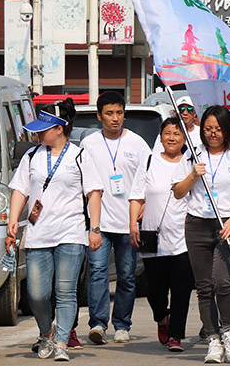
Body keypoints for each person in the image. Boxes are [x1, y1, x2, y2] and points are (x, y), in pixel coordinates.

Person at [6, 99, 104, 361]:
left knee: (65, 291)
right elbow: (20, 190)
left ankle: (61, 342)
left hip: (71, 233)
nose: (38, 134)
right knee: (36, 294)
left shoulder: (79, 156)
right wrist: (13, 221)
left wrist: (95, 228)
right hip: (38, 234)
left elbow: (94, 193)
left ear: (60, 128)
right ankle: (46, 332)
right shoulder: (31, 156)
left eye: (43, 129)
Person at [172, 105, 230, 363]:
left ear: (228, 130)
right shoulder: (193, 154)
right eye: (208, 129)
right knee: (204, 286)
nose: (213, 134)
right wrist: (192, 175)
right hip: (197, 224)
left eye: (218, 129)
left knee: (223, 281)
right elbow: (177, 191)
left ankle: (228, 331)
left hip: (227, 224)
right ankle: (212, 339)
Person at [82, 91, 151, 345]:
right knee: (98, 272)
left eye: (119, 113)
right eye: (109, 113)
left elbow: (149, 178)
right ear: (99, 116)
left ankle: (122, 324)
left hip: (128, 222)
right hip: (99, 222)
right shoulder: (89, 144)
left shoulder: (138, 144)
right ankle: (98, 324)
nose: (115, 118)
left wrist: (144, 205)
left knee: (127, 275)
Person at [129, 118, 195, 352]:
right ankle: (161, 317)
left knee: (181, 289)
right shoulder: (149, 161)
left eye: (177, 134)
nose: (172, 138)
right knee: (155, 290)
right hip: (152, 236)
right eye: (167, 133)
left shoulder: (191, 163)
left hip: (183, 238)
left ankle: (176, 335)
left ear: (184, 138)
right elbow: (137, 196)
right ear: (161, 136)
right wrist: (133, 225)